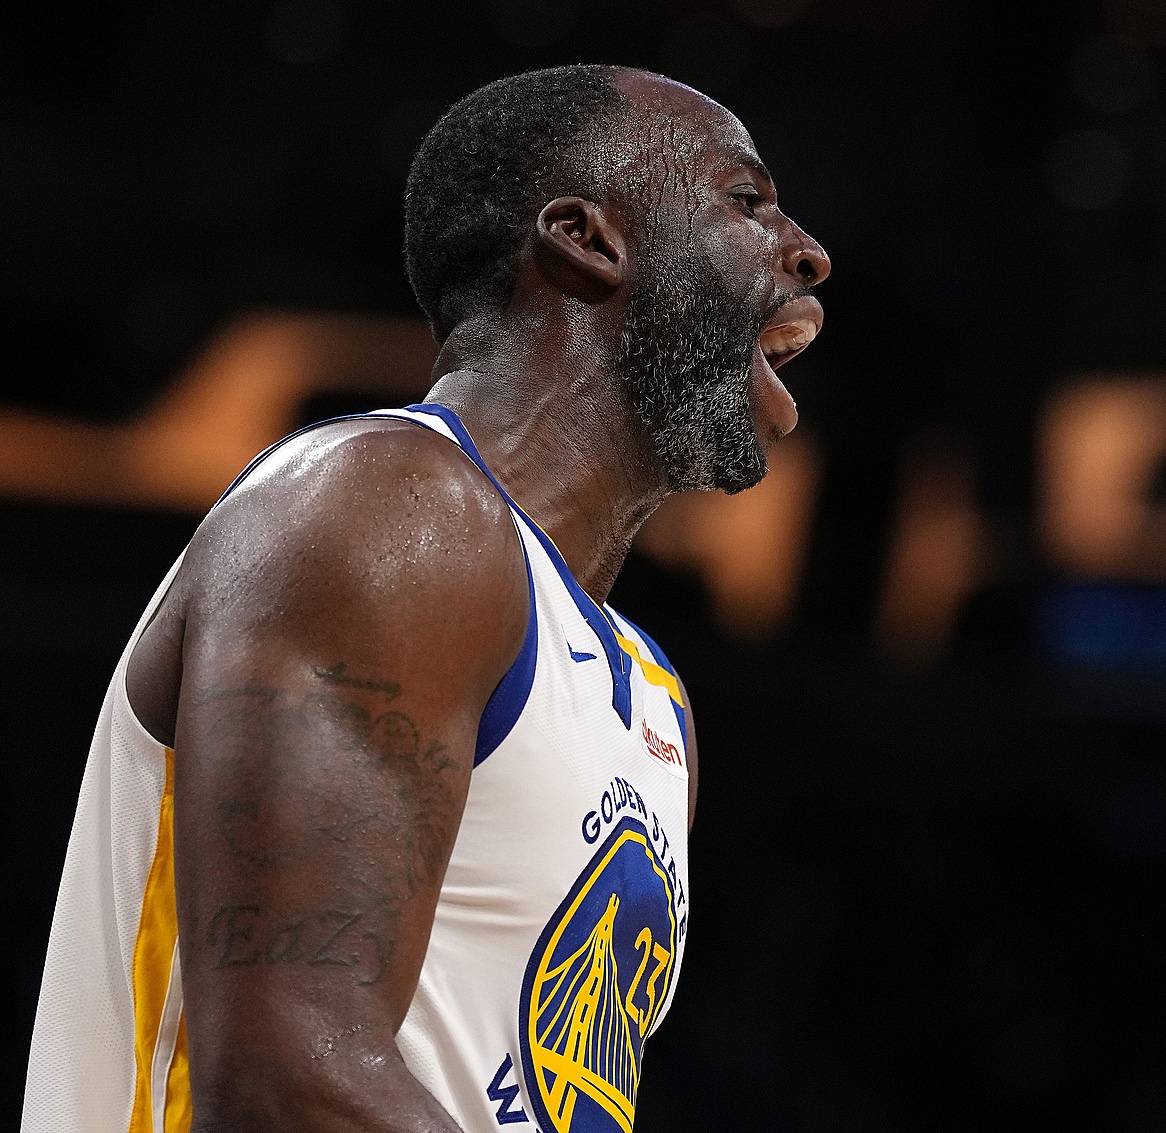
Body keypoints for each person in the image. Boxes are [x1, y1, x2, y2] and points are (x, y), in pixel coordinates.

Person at [22, 64, 829, 1133]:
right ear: (586, 240)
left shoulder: (652, 696)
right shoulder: (389, 507)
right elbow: (286, 1084)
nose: (808, 252)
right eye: (746, 201)